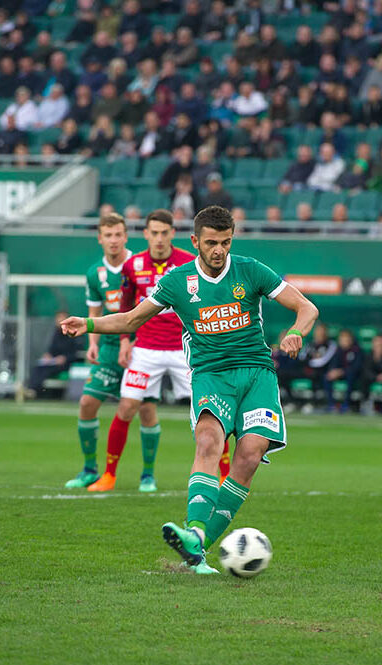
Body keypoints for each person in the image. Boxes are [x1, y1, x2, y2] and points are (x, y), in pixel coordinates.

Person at [60, 206, 318, 574]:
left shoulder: (251, 270)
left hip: (257, 373)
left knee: (248, 456)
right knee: (209, 442)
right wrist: (87, 323)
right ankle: (194, 530)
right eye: (211, 243)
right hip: (211, 374)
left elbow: (306, 308)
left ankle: (198, 546)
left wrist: (296, 332)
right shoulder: (177, 281)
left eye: (225, 242)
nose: (219, 250)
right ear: (195, 241)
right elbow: (131, 318)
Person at [84, 209, 202, 494]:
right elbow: (126, 308)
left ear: (173, 233)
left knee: (208, 413)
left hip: (184, 349)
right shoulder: (133, 265)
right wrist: (126, 340)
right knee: (126, 408)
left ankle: (223, 477)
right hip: (146, 349)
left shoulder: (189, 262)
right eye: (154, 233)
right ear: (145, 234)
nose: (159, 239)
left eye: (164, 233)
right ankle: (109, 475)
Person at [65, 213, 133, 488]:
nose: (114, 240)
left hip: (140, 345)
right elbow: (95, 311)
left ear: (126, 236)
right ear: (100, 238)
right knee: (87, 403)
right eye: (108, 235)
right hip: (108, 346)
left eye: (118, 234)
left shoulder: (137, 265)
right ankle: (90, 468)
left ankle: (148, 474)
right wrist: (92, 344)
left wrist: (133, 340)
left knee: (146, 410)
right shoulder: (95, 273)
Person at [26, 311, 80, 397]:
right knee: (38, 368)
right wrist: (48, 355)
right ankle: (30, 389)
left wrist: (65, 358)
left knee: (46, 370)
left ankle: (35, 390)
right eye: (58, 318)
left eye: (62, 318)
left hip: (66, 364)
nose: (60, 321)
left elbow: (76, 353)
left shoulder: (74, 333)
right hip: (54, 362)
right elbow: (52, 349)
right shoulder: (56, 333)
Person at [325, 330, 363, 413]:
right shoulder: (337, 351)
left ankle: (346, 404)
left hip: (352, 375)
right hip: (340, 375)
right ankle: (331, 404)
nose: (344, 341)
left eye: (346, 339)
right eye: (342, 339)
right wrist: (333, 372)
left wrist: (341, 372)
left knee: (350, 376)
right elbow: (333, 364)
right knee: (327, 377)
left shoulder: (356, 350)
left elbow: (356, 367)